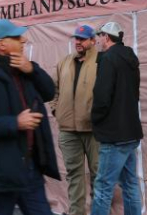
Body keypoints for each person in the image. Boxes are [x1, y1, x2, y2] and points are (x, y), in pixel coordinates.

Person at [0, 19, 60, 215]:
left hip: (28, 169)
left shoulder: (24, 70)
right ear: (1, 44)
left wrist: (32, 70)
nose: (23, 40)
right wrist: (15, 122)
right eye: (17, 37)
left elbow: (49, 92)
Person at [90, 22, 144, 215]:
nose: (98, 40)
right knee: (130, 185)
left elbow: (102, 97)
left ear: (106, 37)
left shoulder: (108, 59)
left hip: (114, 135)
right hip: (131, 131)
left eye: (99, 36)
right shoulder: (130, 58)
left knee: (103, 187)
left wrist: (95, 119)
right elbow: (135, 94)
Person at [51, 25, 100, 215]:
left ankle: (99, 212)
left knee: (98, 175)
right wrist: (56, 110)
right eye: (76, 38)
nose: (78, 42)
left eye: (82, 38)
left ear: (92, 41)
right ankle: (76, 212)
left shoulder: (101, 61)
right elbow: (53, 90)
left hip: (94, 130)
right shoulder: (64, 62)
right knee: (74, 175)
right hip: (68, 130)